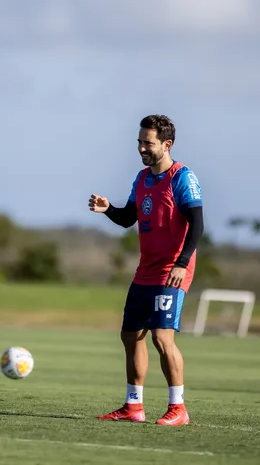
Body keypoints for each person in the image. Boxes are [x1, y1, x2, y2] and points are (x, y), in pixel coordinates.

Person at [88, 114, 204, 426]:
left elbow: (197, 225)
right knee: (130, 336)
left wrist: (181, 264)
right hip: (146, 271)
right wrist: (108, 209)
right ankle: (133, 406)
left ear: (167, 145)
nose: (141, 148)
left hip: (172, 271)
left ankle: (178, 408)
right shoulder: (141, 179)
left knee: (162, 338)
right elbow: (129, 218)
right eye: (139, 141)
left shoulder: (182, 177)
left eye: (147, 143)